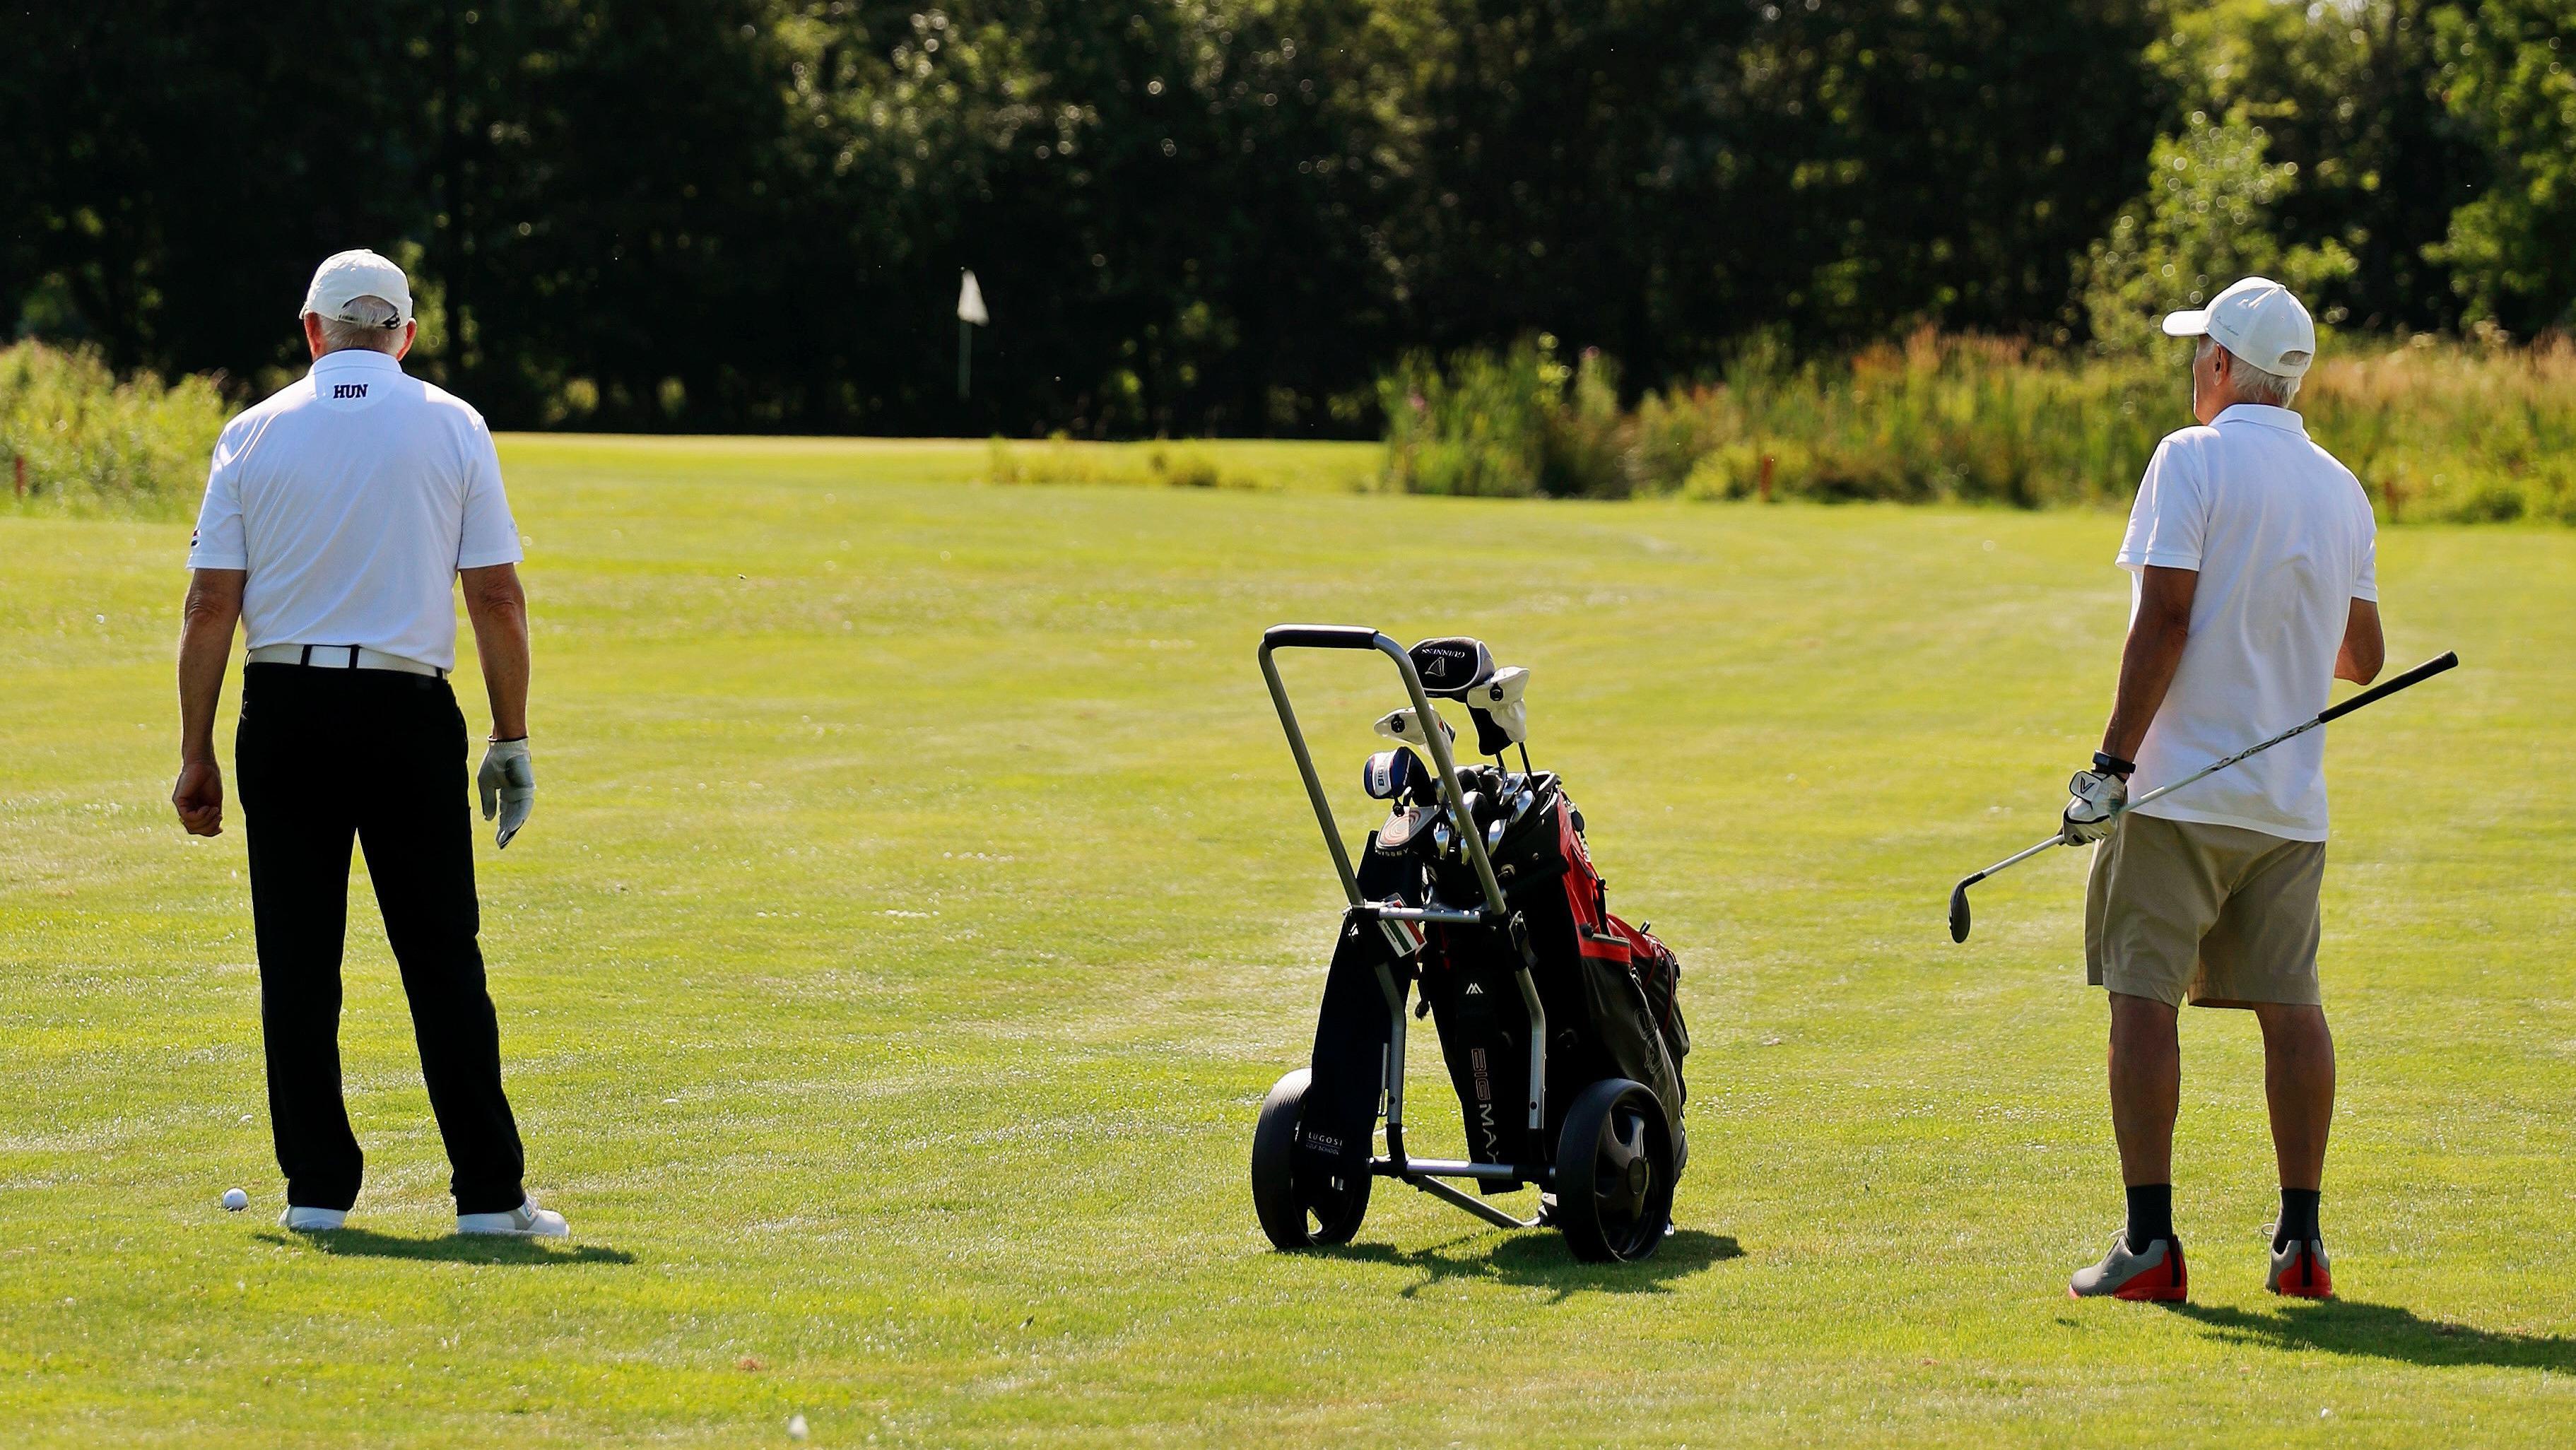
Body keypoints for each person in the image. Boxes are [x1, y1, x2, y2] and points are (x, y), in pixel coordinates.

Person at [170, 249, 565, 1238]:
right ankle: (487, 1200)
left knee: (297, 960)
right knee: (442, 956)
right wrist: (510, 736)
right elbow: (498, 597)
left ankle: (316, 1194)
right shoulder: (453, 424)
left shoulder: (251, 434)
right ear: (406, 334)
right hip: (406, 714)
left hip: (284, 712)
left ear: (312, 332)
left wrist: (195, 750)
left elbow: (211, 602)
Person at [2060, 276, 2381, 1302]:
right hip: (2287, 810)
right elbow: (2360, 655)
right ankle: (2302, 1247)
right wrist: (2269, 637)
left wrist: (2109, 766)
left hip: (2179, 797)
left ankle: (2149, 1247)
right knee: (2291, 1010)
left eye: (2196, 352)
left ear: (2216, 368)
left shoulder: (2185, 458)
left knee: (2138, 1002)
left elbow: (2161, 622)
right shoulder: (2340, 485)